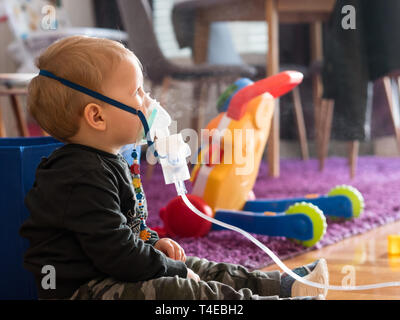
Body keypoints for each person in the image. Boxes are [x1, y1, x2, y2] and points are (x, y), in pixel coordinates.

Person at [19, 35, 329, 300]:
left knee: (197, 266)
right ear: (97, 117)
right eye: (137, 92)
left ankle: (284, 285)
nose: (148, 100)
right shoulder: (79, 175)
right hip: (86, 289)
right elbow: (117, 254)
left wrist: (153, 243)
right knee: (181, 289)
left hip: (116, 272)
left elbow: (126, 230)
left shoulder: (113, 158)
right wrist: (170, 268)